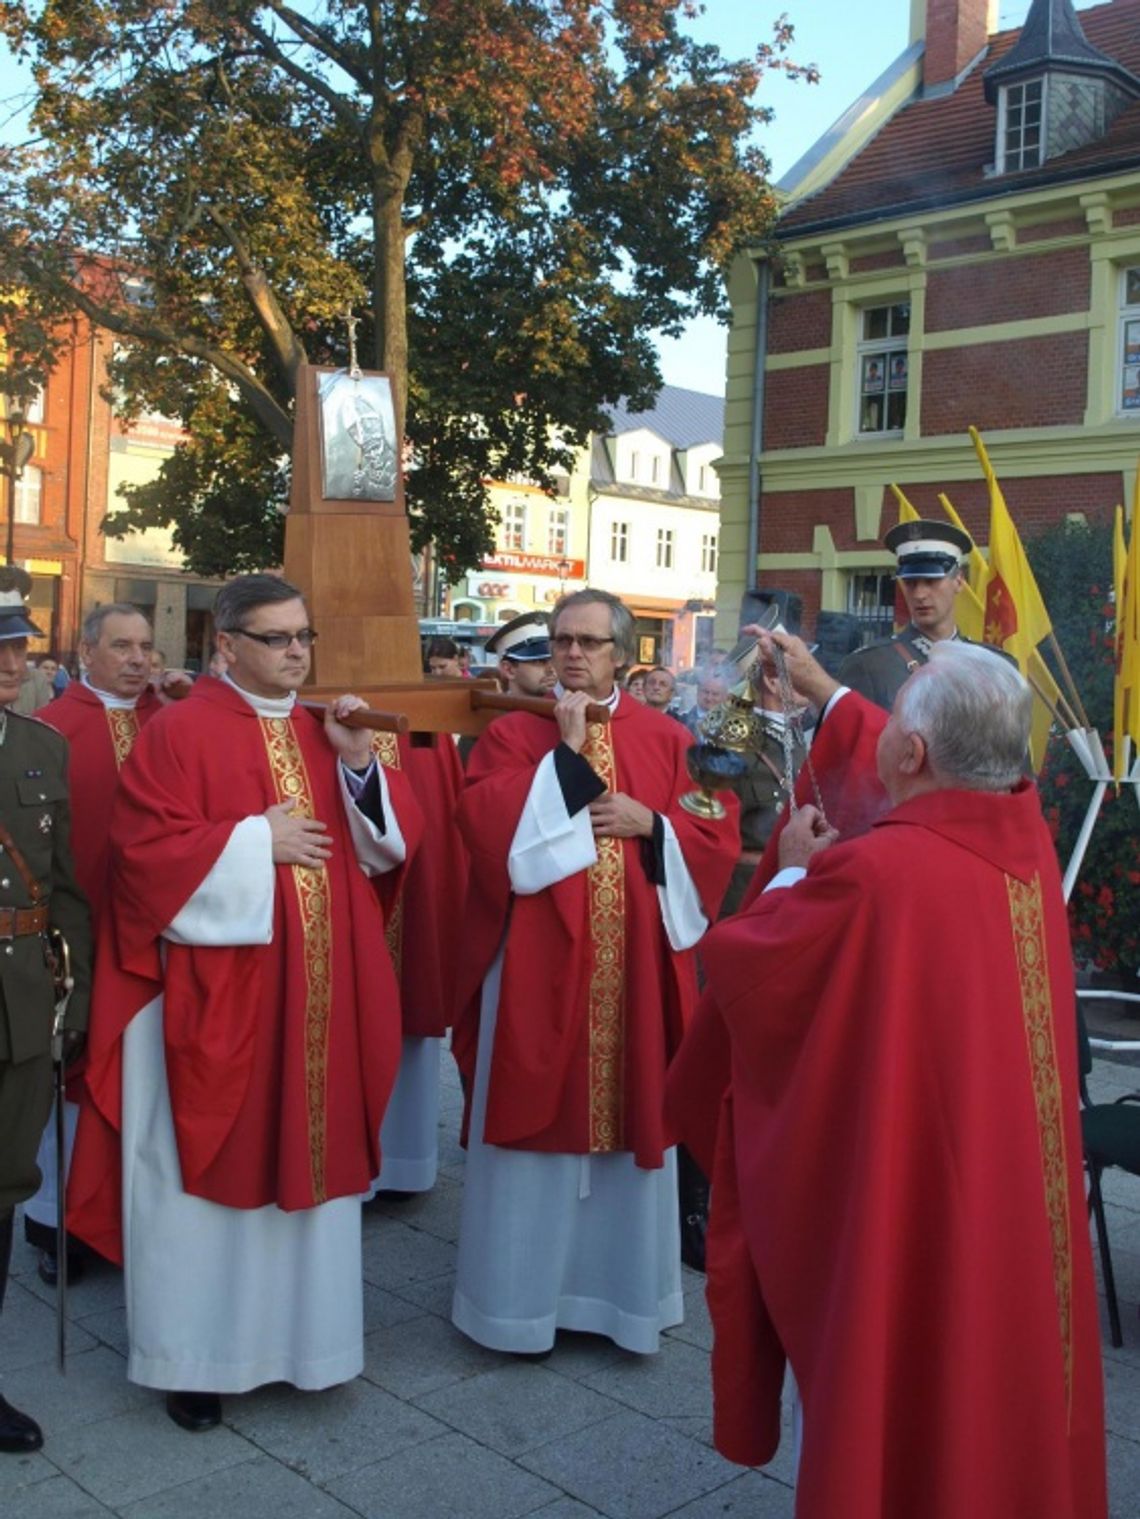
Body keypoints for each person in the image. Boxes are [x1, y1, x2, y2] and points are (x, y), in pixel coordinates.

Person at [681, 639, 1106, 1517]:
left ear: (911, 753)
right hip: (1009, 1194)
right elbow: (946, 749)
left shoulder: (873, 877)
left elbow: (750, 976)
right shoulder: (1024, 842)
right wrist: (824, 690)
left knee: (906, 1364)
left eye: (898, 711)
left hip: (913, 1192)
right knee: (998, 1373)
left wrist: (790, 867)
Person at [67, 574, 422, 1432]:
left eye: (304, 635)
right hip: (211, 1001)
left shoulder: (323, 730)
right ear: (226, 645)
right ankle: (194, 1360)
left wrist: (359, 764)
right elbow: (142, 860)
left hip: (317, 1000)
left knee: (308, 1158)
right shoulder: (179, 732)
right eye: (277, 638)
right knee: (199, 1188)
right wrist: (253, 839)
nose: (297, 652)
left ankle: (310, 1347)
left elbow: (384, 855)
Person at [450, 588, 738, 1355]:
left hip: (633, 969)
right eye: (559, 642)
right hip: (539, 965)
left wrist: (657, 825)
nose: (570, 655)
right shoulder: (515, 733)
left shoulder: (669, 736)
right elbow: (485, 832)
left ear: (620, 653)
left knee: (632, 1110)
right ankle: (518, 1306)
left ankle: (620, 1300)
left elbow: (717, 820)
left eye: (587, 641)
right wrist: (567, 762)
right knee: (535, 1110)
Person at [24, 606, 192, 1284]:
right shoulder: (49, 733)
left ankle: (129, 1215)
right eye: (121, 645)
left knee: (140, 1077)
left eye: (147, 646)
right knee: (70, 1075)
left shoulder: (172, 721)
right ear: (85, 650)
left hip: (155, 936)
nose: (138, 659)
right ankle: (53, 1223)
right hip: (80, 935)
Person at [0, 586, 91, 1453]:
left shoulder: (40, 746)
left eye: (19, 646)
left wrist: (76, 999)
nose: (10, 662)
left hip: (21, 1009)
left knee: (1, 1191)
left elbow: (64, 888)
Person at [838, 518, 975, 709]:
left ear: (959, 581)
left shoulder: (989, 663)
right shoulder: (869, 665)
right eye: (910, 583)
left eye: (930, 581)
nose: (919, 594)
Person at [485, 612, 556, 697]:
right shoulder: (493, 710)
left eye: (554, 660)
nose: (551, 669)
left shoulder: (565, 707)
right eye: (539, 661)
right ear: (509, 670)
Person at [681, 667, 730, 737]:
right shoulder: (681, 720)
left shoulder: (730, 724)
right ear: (698, 692)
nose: (709, 698)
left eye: (715, 694)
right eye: (706, 692)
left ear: (725, 697)